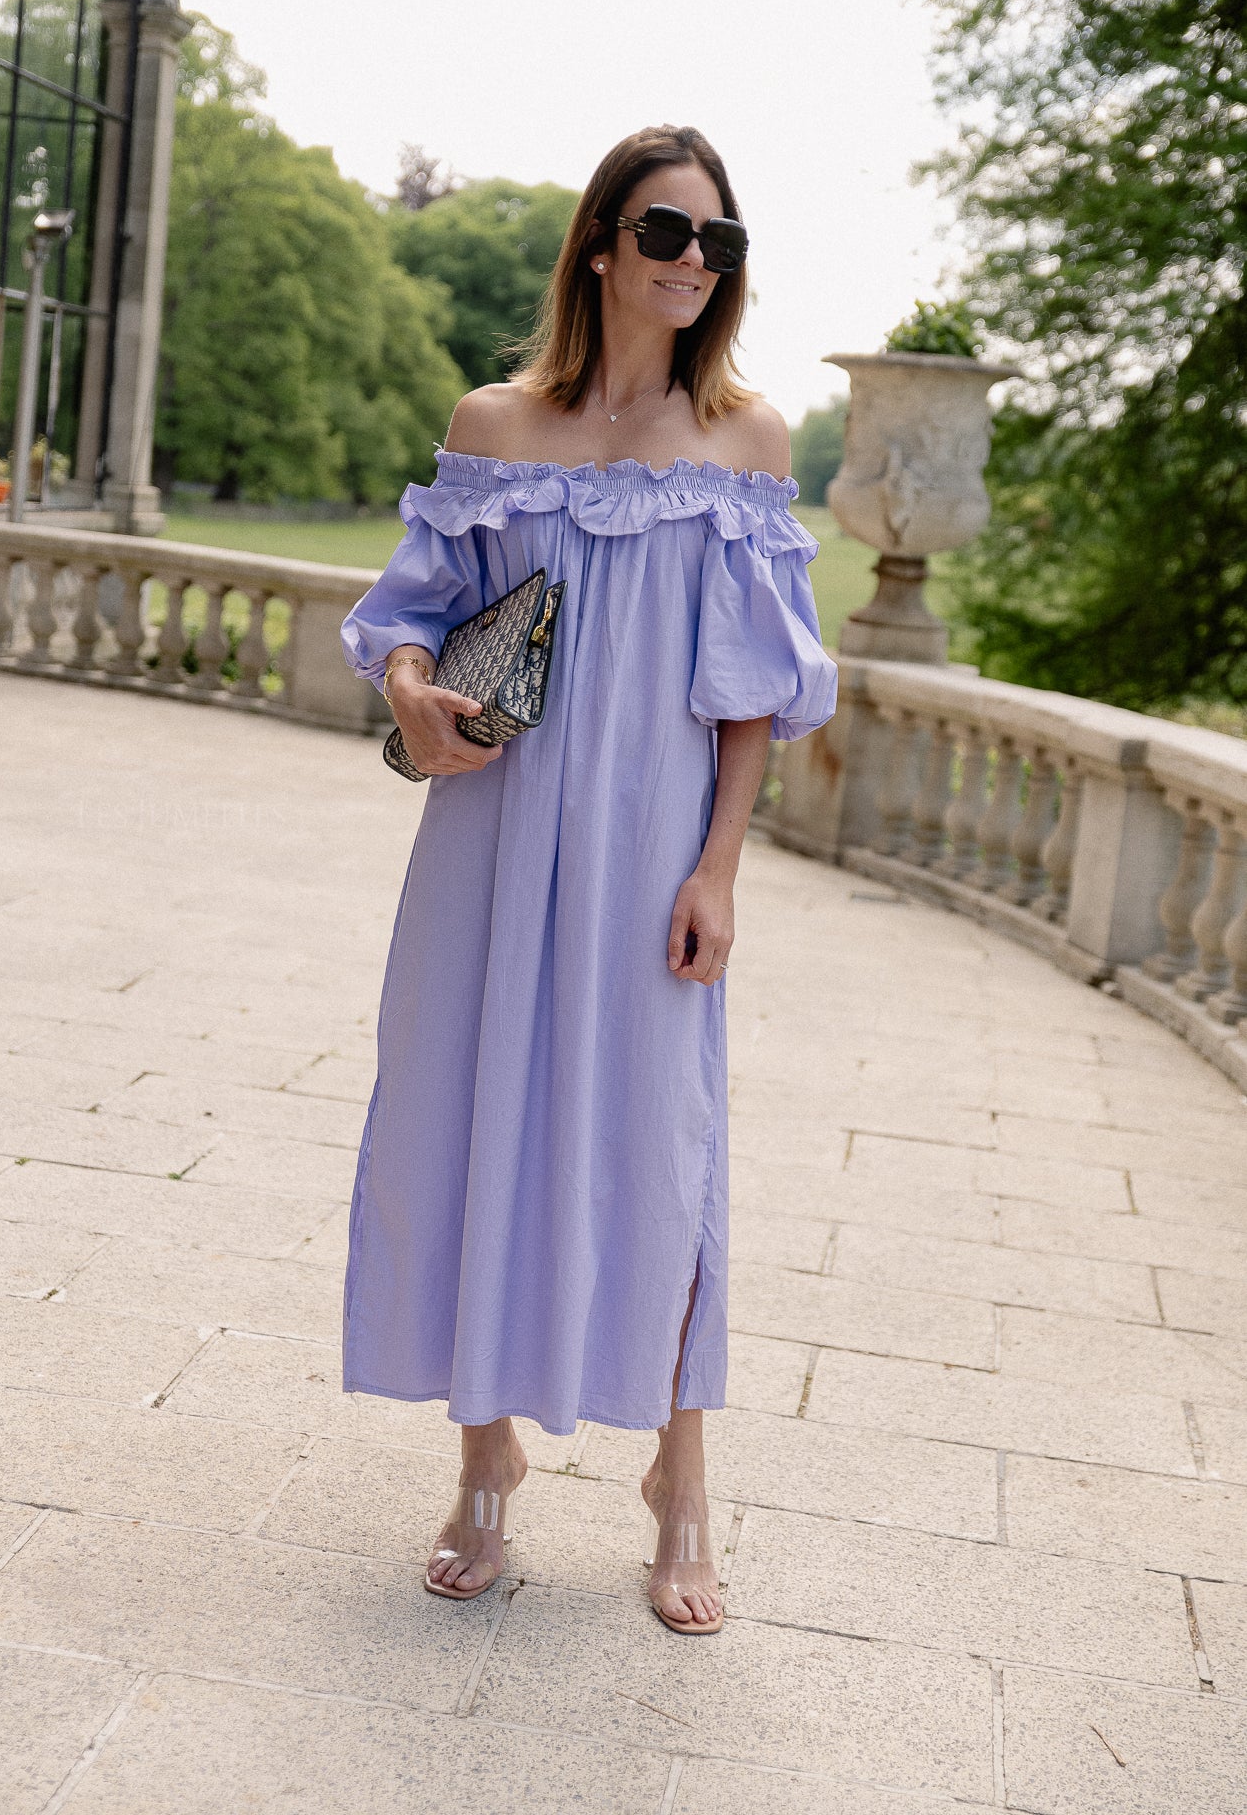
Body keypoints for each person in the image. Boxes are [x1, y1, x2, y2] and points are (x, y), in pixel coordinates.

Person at [339, 124, 837, 1636]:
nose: (693, 264)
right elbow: (411, 611)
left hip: (651, 854)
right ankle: (483, 1462)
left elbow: (751, 696)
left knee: (660, 1147)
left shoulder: (746, 445)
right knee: (466, 1120)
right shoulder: (494, 425)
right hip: (488, 843)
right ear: (603, 246)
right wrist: (411, 686)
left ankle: (680, 1481)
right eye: (667, 234)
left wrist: (719, 869)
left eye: (717, 243)